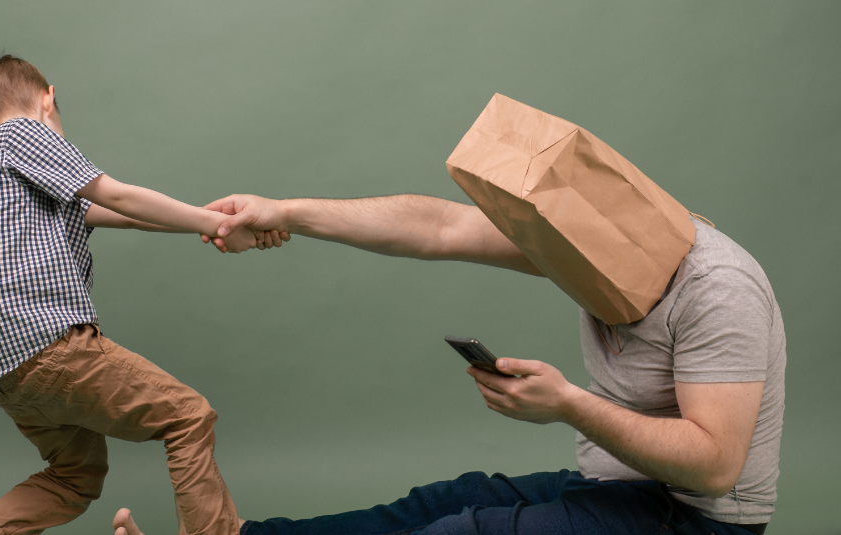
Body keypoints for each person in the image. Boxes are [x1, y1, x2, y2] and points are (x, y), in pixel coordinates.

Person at [178, 193, 782, 535]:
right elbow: (441, 226)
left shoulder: (718, 289)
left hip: (701, 520)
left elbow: (714, 467)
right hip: (617, 486)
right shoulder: (592, 243)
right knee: (440, 502)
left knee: (457, 533)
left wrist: (570, 405)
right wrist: (284, 212)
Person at [0, 55, 284, 535]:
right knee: (188, 417)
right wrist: (217, 223)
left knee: (75, 477)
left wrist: (217, 223)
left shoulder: (1, 180)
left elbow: (124, 215)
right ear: (48, 100)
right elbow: (120, 196)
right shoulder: (20, 133)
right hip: (43, 342)